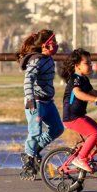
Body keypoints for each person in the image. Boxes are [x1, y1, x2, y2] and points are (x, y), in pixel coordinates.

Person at [59, 48, 97, 173]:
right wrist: (94, 99)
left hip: (79, 115)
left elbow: (93, 92)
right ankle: (80, 158)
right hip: (72, 117)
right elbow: (78, 93)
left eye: (90, 62)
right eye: (87, 63)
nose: (90, 65)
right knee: (94, 133)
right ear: (77, 66)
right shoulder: (75, 79)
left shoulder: (84, 79)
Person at [16, 29, 64, 180]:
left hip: (48, 101)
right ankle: (29, 160)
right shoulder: (36, 60)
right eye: (53, 43)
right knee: (35, 132)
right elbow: (28, 79)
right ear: (45, 45)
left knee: (57, 128)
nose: (56, 45)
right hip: (35, 102)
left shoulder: (48, 59)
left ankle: (34, 151)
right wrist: (30, 99)